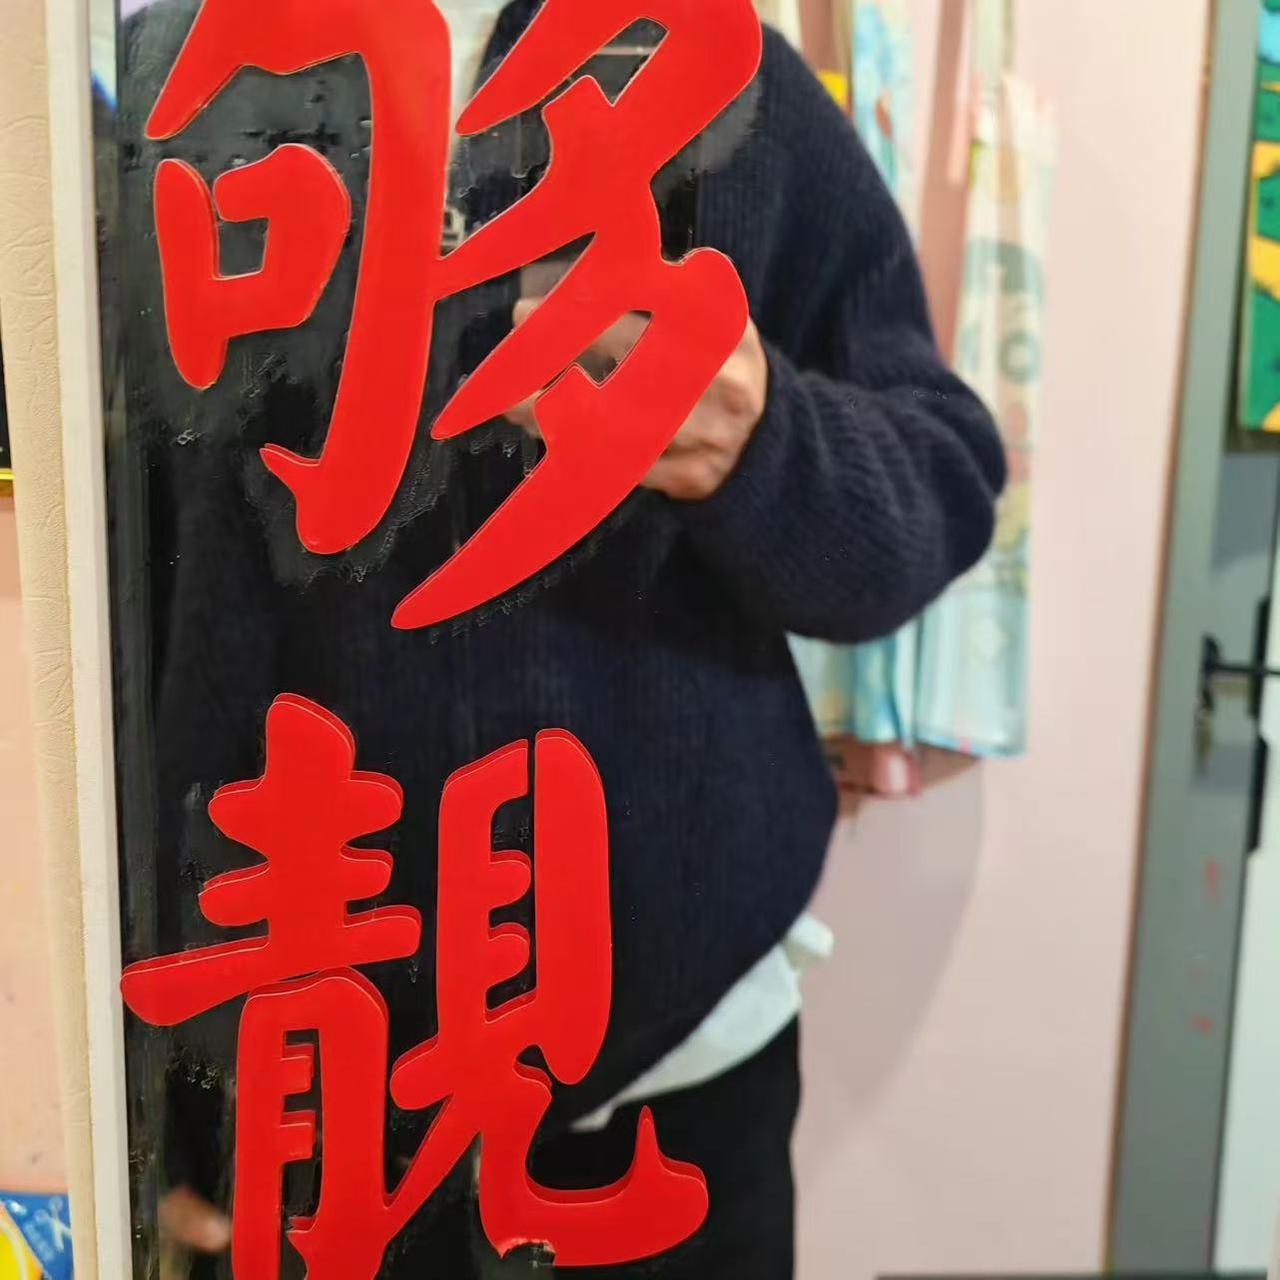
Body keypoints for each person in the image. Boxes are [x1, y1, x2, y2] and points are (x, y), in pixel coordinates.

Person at [105, 1, 1006, 1276]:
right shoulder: (166, 88)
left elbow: (940, 482)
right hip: (303, 1075)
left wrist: (764, 440)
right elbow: (97, 591)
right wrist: (152, 1085)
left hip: (671, 1076)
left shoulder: (715, 76)